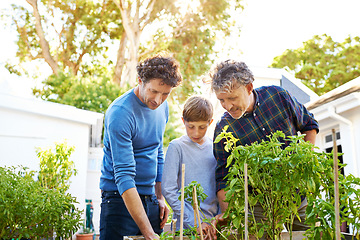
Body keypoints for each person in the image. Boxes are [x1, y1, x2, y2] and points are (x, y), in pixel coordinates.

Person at [208, 60, 319, 238]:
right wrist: (228, 214)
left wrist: (303, 160)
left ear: (249, 87)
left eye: (232, 98)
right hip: (259, 204)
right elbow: (224, 177)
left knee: (311, 235)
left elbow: (309, 124)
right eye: (221, 100)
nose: (227, 106)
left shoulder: (278, 96)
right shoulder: (224, 128)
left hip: (297, 194)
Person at [99, 54, 183, 240]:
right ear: (140, 81)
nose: (158, 100)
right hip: (119, 200)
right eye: (153, 91)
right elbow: (124, 175)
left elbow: (157, 152)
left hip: (150, 198)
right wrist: (147, 232)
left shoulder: (162, 107)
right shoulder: (121, 113)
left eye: (165, 94)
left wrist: (159, 197)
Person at [162, 96, 219, 238]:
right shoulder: (177, 147)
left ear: (210, 122)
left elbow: (221, 187)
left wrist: (217, 220)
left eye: (202, 127)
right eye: (191, 127)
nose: (196, 133)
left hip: (214, 227)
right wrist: (194, 222)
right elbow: (168, 189)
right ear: (183, 121)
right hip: (186, 228)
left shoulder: (215, 148)